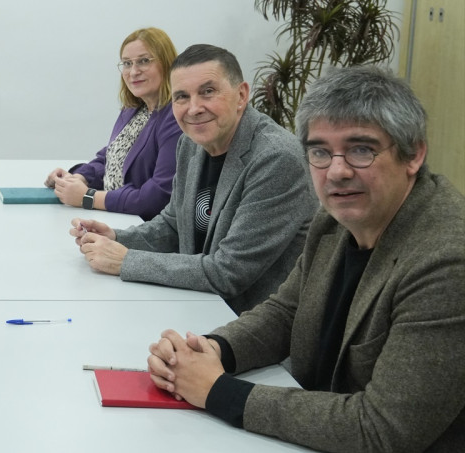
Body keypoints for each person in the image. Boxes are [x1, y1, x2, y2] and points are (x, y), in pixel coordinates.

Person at [146, 66, 465, 451]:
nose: (337, 171)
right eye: (319, 152)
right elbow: (287, 311)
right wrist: (213, 349)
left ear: (412, 154)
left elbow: (383, 430)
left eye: (361, 149)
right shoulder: (333, 222)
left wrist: (219, 392)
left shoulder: (448, 261)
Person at [70, 44, 316, 314]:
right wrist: (118, 237)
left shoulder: (276, 159)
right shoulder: (190, 144)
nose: (194, 108)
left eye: (208, 92)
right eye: (182, 97)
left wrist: (126, 260)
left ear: (242, 95)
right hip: (197, 308)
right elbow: (174, 226)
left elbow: (228, 272)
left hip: (250, 330)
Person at [45, 27, 184, 220]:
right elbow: (110, 158)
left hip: (144, 228)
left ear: (167, 63)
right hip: (114, 217)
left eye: (144, 61)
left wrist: (88, 197)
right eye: (127, 63)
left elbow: (158, 196)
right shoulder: (134, 110)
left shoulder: (176, 117)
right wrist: (77, 178)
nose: (133, 71)